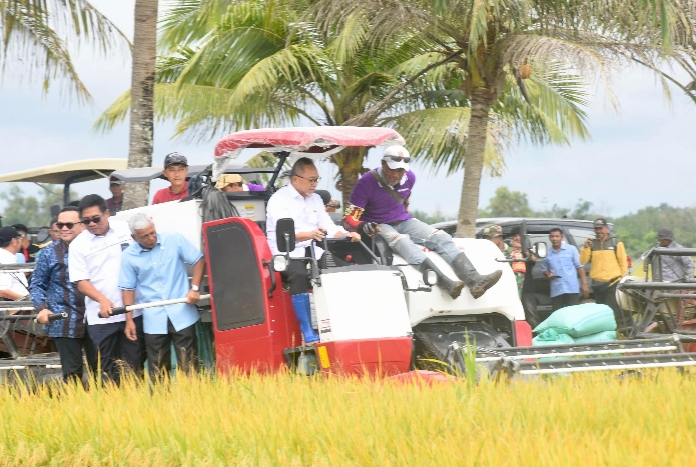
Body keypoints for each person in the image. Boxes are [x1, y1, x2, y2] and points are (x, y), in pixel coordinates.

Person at [343, 145, 501, 299]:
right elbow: (349, 218)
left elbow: (403, 202)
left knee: (441, 237)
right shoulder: (365, 183)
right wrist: (363, 225)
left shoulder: (410, 178)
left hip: (403, 220)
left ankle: (475, 281)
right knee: (403, 242)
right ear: (383, 163)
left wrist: (405, 215)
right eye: (392, 169)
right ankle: (446, 283)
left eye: (400, 170)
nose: (396, 174)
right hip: (378, 224)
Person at [266, 157, 361, 344]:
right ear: (295, 179)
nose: (315, 184)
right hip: (286, 252)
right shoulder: (278, 200)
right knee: (299, 274)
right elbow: (286, 234)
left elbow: (327, 225)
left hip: (311, 250)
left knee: (341, 269)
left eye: (317, 179)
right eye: (311, 180)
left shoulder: (316, 199)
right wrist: (310, 233)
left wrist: (345, 234)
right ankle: (307, 329)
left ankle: (342, 322)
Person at [118, 214, 205, 379]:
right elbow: (128, 288)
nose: (151, 238)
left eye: (152, 232)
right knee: (157, 369)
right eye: (145, 236)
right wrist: (129, 320)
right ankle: (161, 402)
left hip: (182, 311)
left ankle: (194, 400)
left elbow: (198, 260)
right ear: (134, 238)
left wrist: (194, 288)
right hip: (153, 317)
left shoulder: (174, 239)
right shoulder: (129, 256)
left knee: (189, 366)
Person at [69, 194, 144, 384]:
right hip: (101, 319)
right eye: (86, 221)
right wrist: (102, 300)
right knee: (108, 370)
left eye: (96, 218)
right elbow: (80, 281)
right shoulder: (78, 245)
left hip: (132, 314)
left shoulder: (126, 230)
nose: (92, 224)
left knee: (134, 367)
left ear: (107, 213)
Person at [30, 207, 97, 383]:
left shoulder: (96, 248)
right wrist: (42, 309)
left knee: (102, 371)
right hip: (64, 320)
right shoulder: (48, 253)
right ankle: (75, 409)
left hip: (97, 318)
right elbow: (37, 285)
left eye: (69, 224)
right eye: (60, 224)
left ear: (82, 225)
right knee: (72, 375)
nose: (64, 228)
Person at [580, 218, 629, 327]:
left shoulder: (616, 243)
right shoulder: (592, 244)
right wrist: (585, 248)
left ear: (607, 228)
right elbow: (582, 261)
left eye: (600, 228)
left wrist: (623, 281)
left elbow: (623, 264)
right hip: (597, 284)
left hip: (613, 283)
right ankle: (605, 335)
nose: (598, 231)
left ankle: (613, 334)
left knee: (611, 312)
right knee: (601, 314)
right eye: (596, 229)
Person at [540, 228, 589, 312]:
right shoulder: (547, 253)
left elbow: (579, 267)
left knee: (573, 313)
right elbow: (544, 268)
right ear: (549, 238)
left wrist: (584, 284)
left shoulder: (571, 249)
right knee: (558, 315)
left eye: (557, 236)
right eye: (552, 236)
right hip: (556, 290)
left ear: (562, 237)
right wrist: (548, 274)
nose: (554, 239)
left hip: (571, 289)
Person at [482, 225, 525, 298]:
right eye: (487, 238)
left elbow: (519, 280)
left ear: (500, 237)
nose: (488, 240)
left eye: (490, 237)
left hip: (507, 295)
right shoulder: (485, 253)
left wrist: (515, 299)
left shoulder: (514, 254)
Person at [0, 227, 30, 300]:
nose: (21, 241)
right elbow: (2, 291)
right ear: (14, 241)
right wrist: (27, 301)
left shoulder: (7, 258)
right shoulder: (4, 260)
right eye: (20, 239)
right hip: (15, 308)